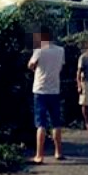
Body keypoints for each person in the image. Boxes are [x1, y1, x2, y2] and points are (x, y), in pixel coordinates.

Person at [27, 27, 66, 164]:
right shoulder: (60, 50)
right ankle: (58, 152)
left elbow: (30, 65)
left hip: (40, 90)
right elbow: (60, 67)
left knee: (41, 124)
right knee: (56, 123)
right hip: (54, 89)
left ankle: (39, 155)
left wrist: (35, 68)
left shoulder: (39, 50)